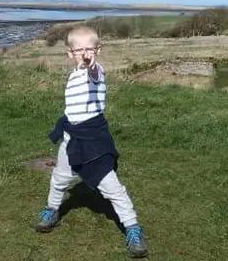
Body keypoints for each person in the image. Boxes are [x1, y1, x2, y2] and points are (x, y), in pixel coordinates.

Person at [34, 25, 149, 258]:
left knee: (112, 188)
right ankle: (52, 210)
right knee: (59, 179)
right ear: (69, 53)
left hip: (93, 140)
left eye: (89, 49)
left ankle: (133, 229)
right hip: (71, 139)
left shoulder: (96, 72)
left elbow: (93, 72)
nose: (84, 54)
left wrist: (91, 64)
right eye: (79, 50)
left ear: (98, 50)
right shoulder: (73, 74)